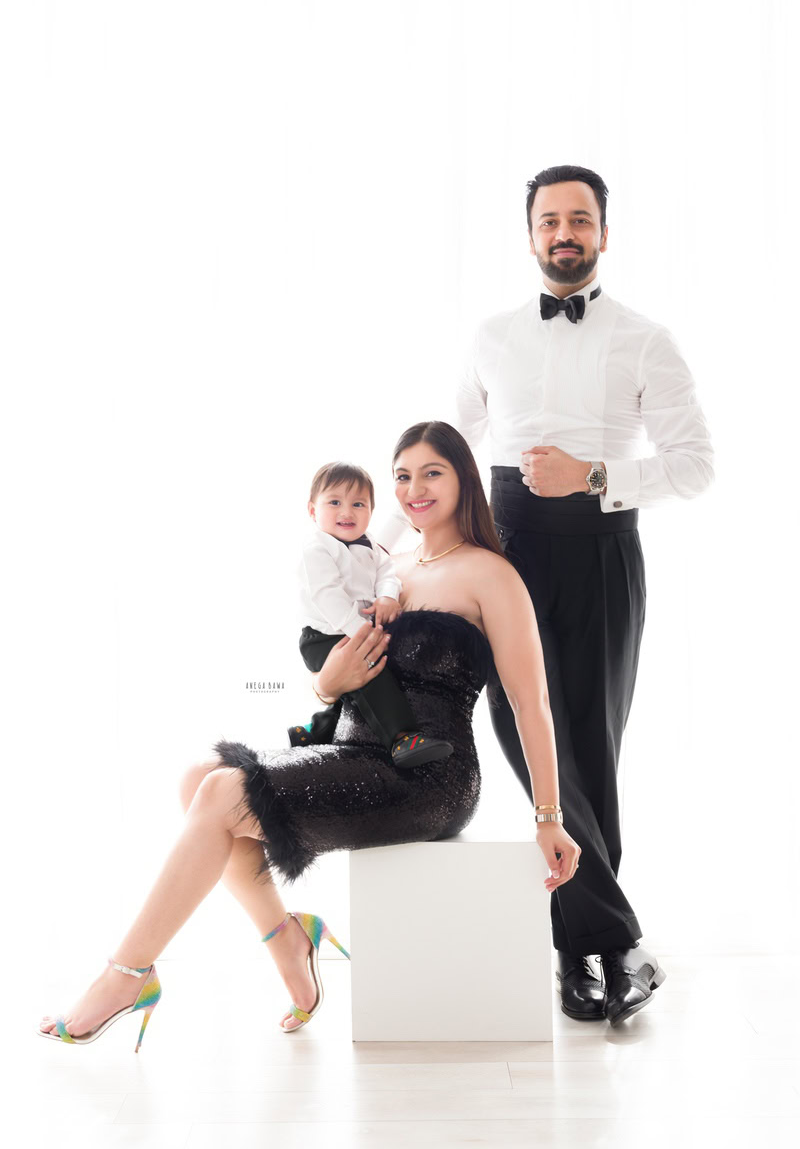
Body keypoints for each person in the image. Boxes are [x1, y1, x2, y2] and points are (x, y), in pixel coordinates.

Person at [38, 420, 580, 1045]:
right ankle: (288, 941)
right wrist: (329, 682)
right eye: (402, 475)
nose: (414, 489)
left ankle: (127, 974)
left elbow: (529, 701)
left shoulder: (490, 574)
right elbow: (330, 676)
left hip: (426, 774)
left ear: (464, 479)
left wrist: (547, 815)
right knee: (198, 779)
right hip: (353, 747)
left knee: (220, 795)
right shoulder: (386, 565)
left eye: (433, 472)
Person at [455, 163, 713, 1024]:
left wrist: (594, 474)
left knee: (591, 747)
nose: (564, 233)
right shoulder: (491, 335)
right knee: (535, 745)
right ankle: (612, 941)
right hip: (506, 556)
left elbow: (694, 466)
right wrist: (379, 555)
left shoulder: (646, 338)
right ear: (529, 234)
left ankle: (584, 952)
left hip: (603, 552)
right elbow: (450, 447)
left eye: (580, 218)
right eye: (549, 220)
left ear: (604, 232)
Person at [288, 459, 454, 768]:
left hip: (356, 629)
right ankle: (402, 738)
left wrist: (388, 597)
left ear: (370, 511)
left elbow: (387, 574)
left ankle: (316, 730)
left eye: (358, 504)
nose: (346, 512)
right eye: (334, 502)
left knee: (356, 683)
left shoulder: (372, 547)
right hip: (324, 635)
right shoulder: (318, 548)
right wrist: (359, 630)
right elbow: (327, 595)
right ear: (313, 511)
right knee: (372, 673)